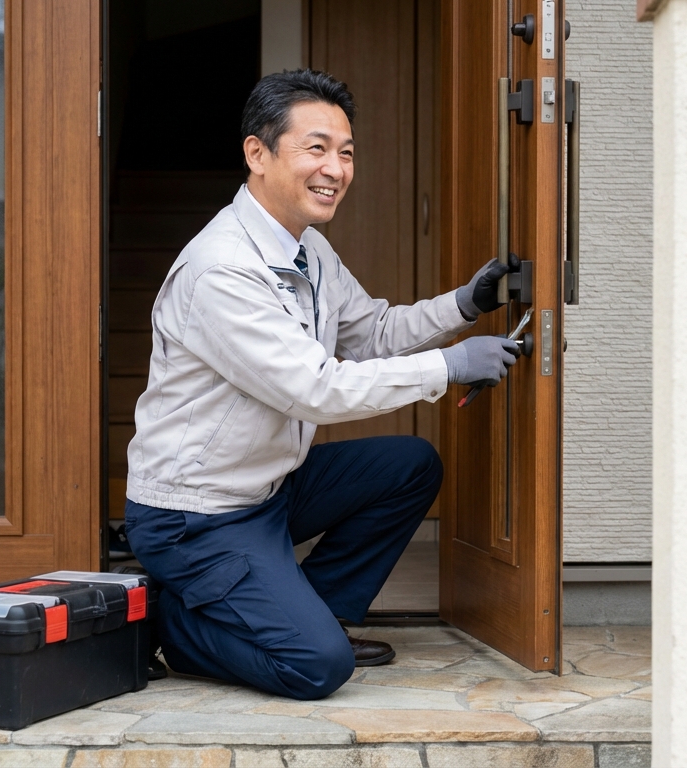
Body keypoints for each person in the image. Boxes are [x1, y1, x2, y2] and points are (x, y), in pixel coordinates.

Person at [123, 69, 522, 700]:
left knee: (408, 465)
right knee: (316, 667)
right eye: (316, 148)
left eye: (346, 151)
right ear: (257, 153)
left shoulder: (307, 249)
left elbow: (374, 331)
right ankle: (172, 623)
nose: (334, 168)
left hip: (269, 489)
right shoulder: (222, 270)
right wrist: (449, 366)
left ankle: (311, 609)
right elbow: (313, 389)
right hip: (195, 515)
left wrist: (462, 307)